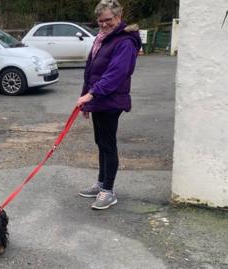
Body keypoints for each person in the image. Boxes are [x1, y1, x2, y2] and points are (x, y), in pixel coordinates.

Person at [76, 0, 141, 210]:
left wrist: (92, 94)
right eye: (101, 21)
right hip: (98, 100)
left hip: (111, 100)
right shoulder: (102, 38)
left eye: (108, 20)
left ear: (119, 17)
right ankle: (101, 183)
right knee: (101, 142)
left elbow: (115, 74)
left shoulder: (125, 41)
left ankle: (108, 191)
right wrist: (86, 98)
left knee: (108, 144)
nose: (104, 25)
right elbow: (91, 70)